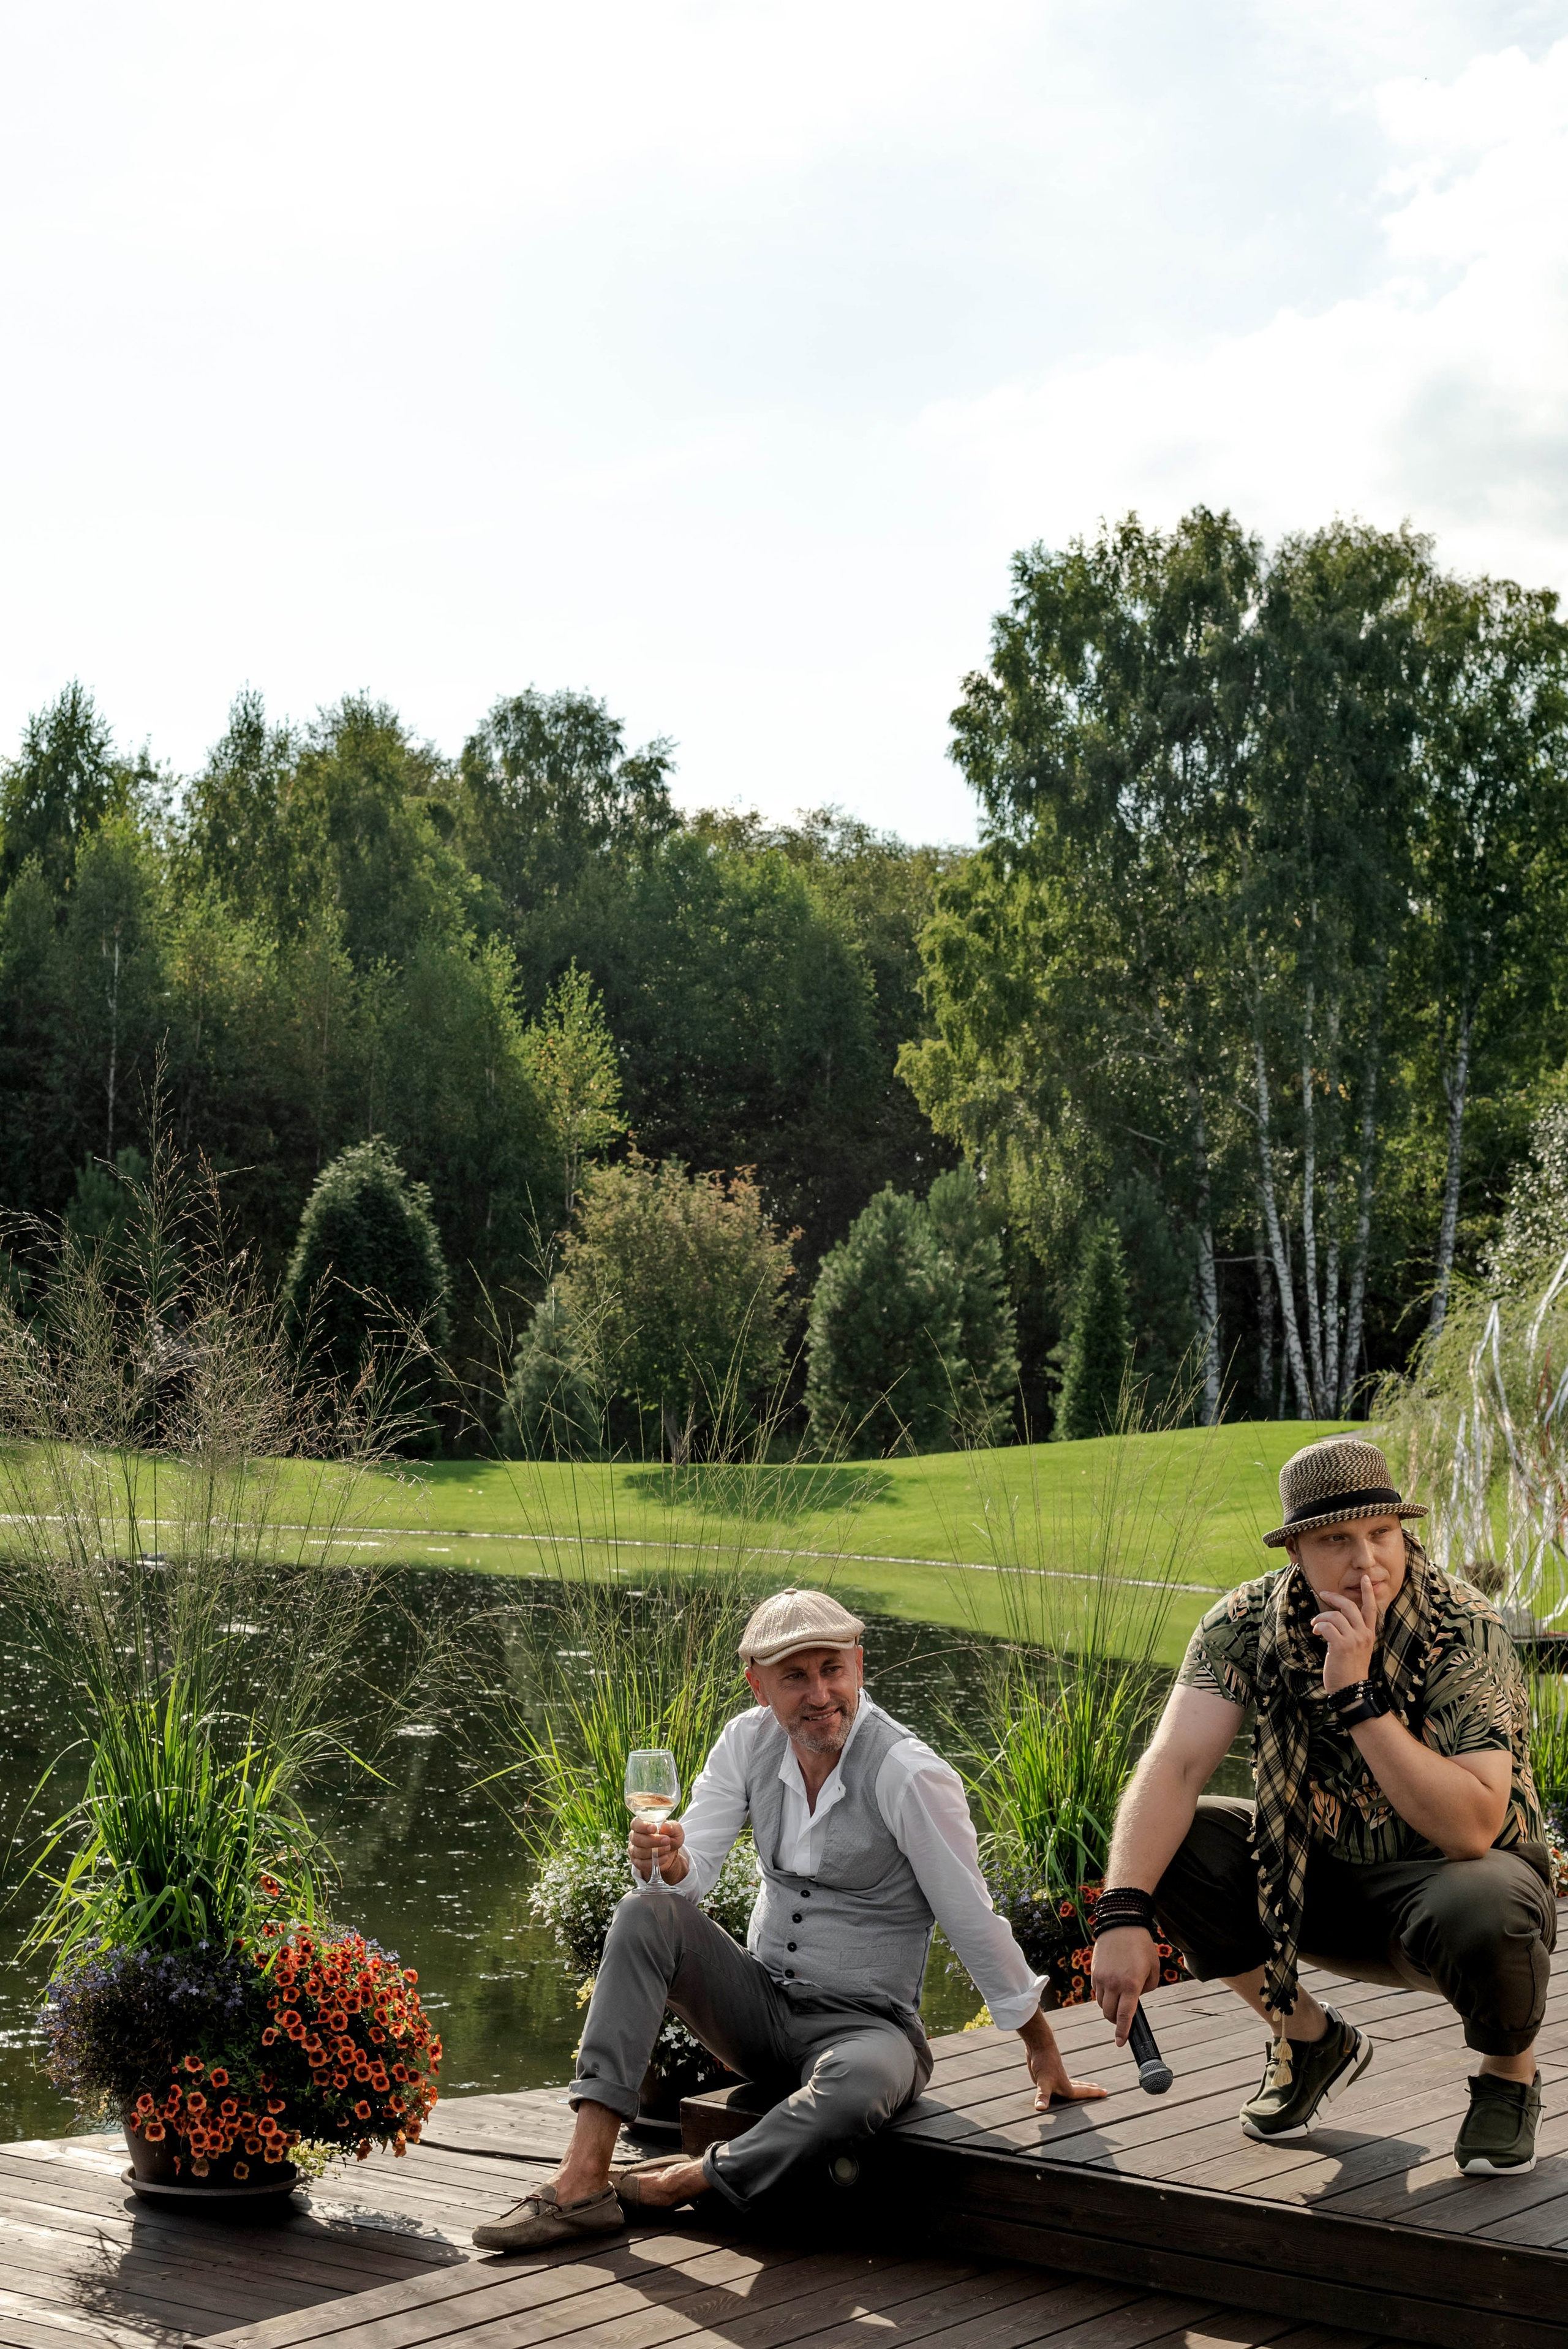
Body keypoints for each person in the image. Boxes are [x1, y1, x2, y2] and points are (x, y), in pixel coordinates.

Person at [474, 1586, 1104, 2251]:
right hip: (762, 2011)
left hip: (870, 2030)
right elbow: (693, 1873)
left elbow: (971, 1918)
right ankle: (582, 2181)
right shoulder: (746, 1743)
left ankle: (686, 2181)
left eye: (832, 1668)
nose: (820, 1693)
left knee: (857, 2085)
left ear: (859, 1665)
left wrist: (1040, 2045)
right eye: (795, 1677)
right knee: (645, 1911)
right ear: (758, 1687)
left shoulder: (908, 1774)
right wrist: (668, 1860)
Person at [1090, 1435, 1554, 2177]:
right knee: (1175, 1841)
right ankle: (1306, 2040)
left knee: (1487, 1896)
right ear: (1296, 1551)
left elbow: (1471, 1828)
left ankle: (1509, 2076)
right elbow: (1172, 1765)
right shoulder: (1243, 1623)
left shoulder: (1465, 1627)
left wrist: (1357, 1697)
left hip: (1448, 1884)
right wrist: (1121, 1910)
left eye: (1381, 1533)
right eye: (1337, 1539)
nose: (1366, 1559)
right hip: (1314, 1880)